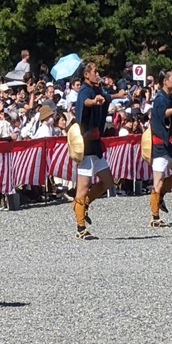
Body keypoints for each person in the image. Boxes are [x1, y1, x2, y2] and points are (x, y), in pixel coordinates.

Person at [71, 61, 115, 238]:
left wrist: (117, 94)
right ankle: (80, 228)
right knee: (83, 186)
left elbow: (104, 98)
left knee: (108, 181)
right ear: (86, 75)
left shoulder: (97, 90)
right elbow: (86, 102)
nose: (98, 74)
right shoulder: (84, 91)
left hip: (96, 145)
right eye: (95, 71)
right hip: (86, 145)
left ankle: (84, 204)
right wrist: (94, 101)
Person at [147, 68, 172, 226]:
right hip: (159, 143)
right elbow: (162, 114)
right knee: (158, 180)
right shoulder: (160, 98)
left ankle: (160, 196)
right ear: (165, 81)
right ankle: (154, 217)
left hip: (167, 144)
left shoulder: (168, 96)